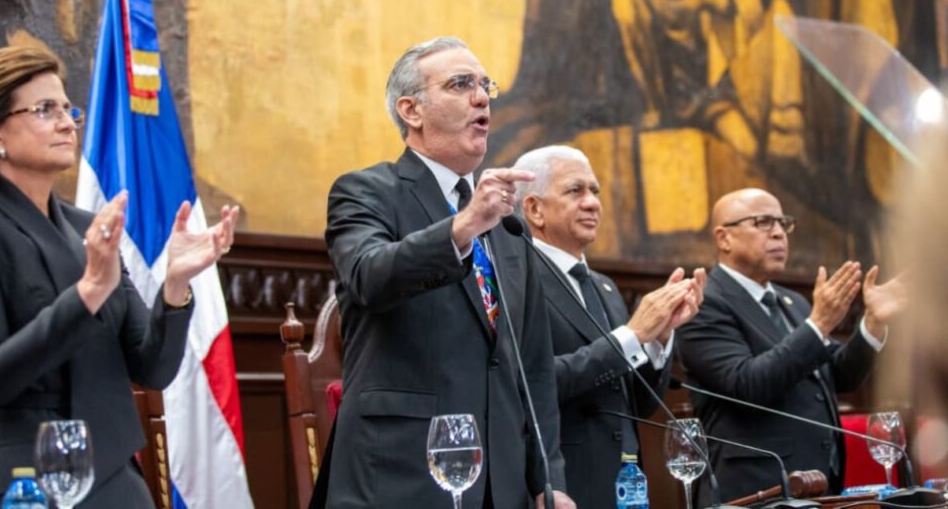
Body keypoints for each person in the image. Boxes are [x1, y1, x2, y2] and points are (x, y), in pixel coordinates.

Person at [0, 46, 239, 509]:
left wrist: (175, 285)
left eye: (67, 109)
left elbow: (153, 368)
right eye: (44, 109)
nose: (66, 123)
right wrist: (89, 290)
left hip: (113, 469)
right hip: (24, 476)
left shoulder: (86, 228)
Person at [324, 37, 575, 509]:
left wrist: (549, 481)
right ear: (411, 111)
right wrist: (462, 227)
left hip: (503, 487)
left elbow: (535, 369)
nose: (481, 98)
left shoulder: (507, 225)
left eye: (485, 86)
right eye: (460, 84)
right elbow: (369, 275)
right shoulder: (366, 191)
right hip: (400, 477)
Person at [675, 188, 902, 503]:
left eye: (783, 223)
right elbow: (746, 383)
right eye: (763, 222)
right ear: (724, 238)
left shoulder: (791, 302)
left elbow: (839, 376)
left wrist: (873, 323)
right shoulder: (703, 303)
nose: (779, 233)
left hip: (817, 483)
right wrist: (818, 324)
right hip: (754, 491)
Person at [514, 145, 703, 509]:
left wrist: (658, 337)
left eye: (595, 191)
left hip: (626, 482)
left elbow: (638, 404)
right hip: (563, 483)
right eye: (575, 190)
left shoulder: (605, 287)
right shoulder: (517, 278)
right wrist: (632, 336)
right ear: (535, 209)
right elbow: (532, 382)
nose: (592, 203)